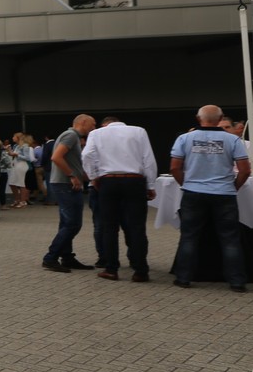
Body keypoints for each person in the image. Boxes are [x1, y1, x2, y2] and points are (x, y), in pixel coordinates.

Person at [171, 105, 250, 292]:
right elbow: (245, 170)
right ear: (220, 119)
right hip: (224, 194)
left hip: (193, 193)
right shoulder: (233, 139)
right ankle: (237, 281)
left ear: (198, 119)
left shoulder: (184, 138)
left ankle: (183, 278)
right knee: (230, 238)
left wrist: (186, 183)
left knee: (189, 236)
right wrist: (233, 187)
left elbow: (174, 167)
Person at [82, 115, 158, 282]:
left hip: (109, 181)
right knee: (137, 227)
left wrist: (94, 177)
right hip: (134, 180)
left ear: (105, 124)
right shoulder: (139, 131)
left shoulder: (96, 134)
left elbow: (86, 155)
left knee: (109, 227)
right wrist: (150, 185)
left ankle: (111, 269)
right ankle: (140, 271)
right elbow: (148, 159)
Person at [41, 114, 98, 274]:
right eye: (93, 124)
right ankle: (50, 258)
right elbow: (56, 157)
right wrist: (72, 176)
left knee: (66, 223)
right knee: (73, 224)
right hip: (65, 184)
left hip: (65, 183)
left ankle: (67, 257)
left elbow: (71, 161)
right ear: (83, 122)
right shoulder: (71, 136)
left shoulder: (72, 136)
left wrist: (85, 176)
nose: (94, 128)